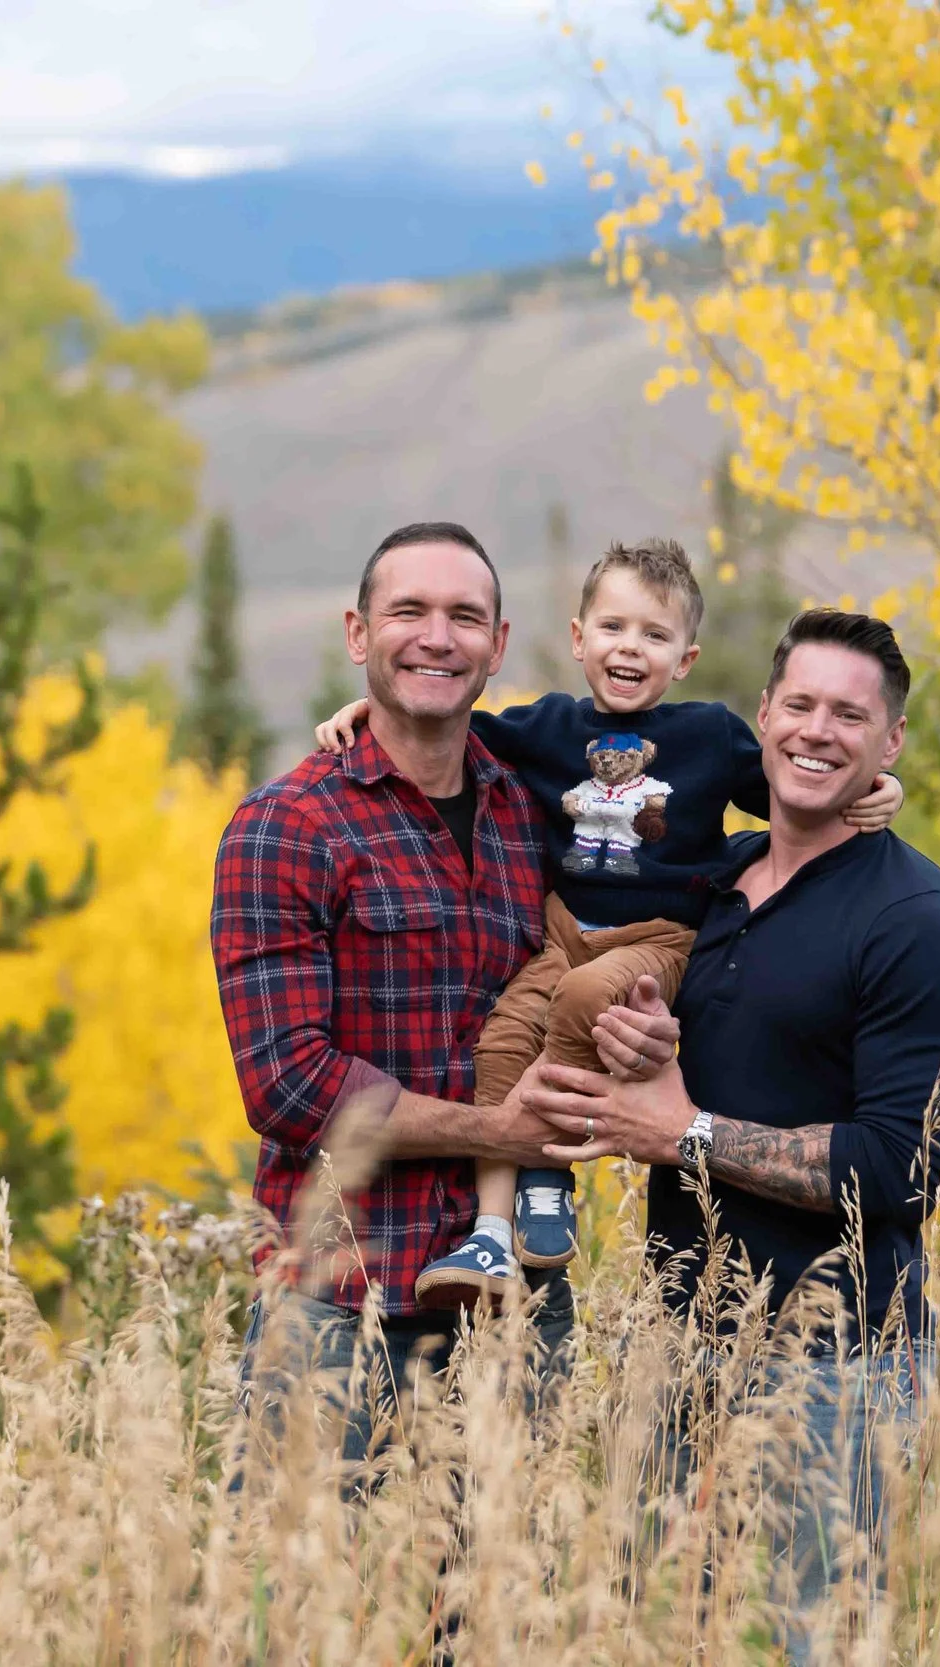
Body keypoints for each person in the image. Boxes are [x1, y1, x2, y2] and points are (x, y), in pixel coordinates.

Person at [524, 607, 940, 1660]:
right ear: (763, 715)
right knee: (647, 1636)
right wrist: (641, 1045)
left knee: (806, 1645)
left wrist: (681, 1130)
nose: (818, 731)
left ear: (891, 744)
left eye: (850, 715)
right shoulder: (715, 884)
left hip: (837, 1371)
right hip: (677, 1345)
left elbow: (902, 1167)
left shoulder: (919, 923)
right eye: (800, 704)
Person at [314, 539, 903, 1307]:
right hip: (565, 928)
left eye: (654, 636)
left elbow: (805, 782)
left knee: (587, 996)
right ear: (578, 638)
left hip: (656, 937)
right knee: (504, 1030)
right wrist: (367, 709)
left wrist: (879, 788)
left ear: (684, 657)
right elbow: (437, 721)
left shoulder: (714, 737)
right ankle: (491, 1229)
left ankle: (548, 1174)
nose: (631, 647)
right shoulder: (546, 727)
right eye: (614, 628)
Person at [210, 521, 674, 1466]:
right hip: (340, 1306)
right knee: (302, 1607)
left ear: (498, 646)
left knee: (501, 1608)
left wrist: (646, 1036)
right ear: (357, 633)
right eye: (408, 612)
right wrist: (496, 1132)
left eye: (465, 616)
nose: (437, 636)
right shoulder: (285, 827)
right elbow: (289, 1087)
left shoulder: (535, 810)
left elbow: (640, 916)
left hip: (515, 1314)